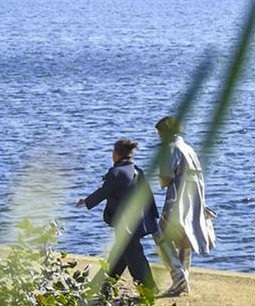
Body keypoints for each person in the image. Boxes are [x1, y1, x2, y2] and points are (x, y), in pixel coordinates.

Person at [76, 138, 158, 293]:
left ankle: (149, 290)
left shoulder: (116, 172)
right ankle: (104, 287)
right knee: (119, 256)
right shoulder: (137, 171)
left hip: (125, 223)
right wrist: (153, 219)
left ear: (115, 154)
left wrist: (86, 201)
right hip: (138, 221)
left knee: (135, 258)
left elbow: (103, 192)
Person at [153, 115, 215, 296]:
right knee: (185, 239)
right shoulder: (189, 148)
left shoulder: (171, 148)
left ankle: (178, 275)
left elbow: (165, 178)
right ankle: (183, 278)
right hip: (195, 198)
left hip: (177, 198)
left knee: (161, 234)